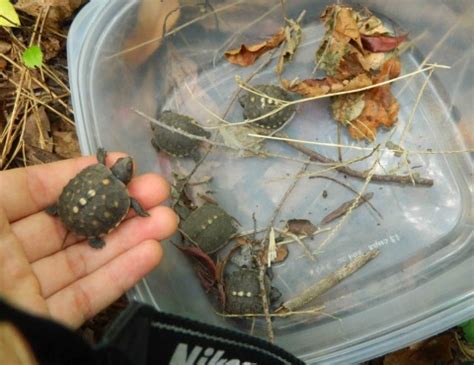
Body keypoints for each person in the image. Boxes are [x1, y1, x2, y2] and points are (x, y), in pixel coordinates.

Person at [0, 152, 178, 363]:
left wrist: (101, 156)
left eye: (124, 165)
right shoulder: (124, 197)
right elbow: (133, 205)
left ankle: (58, 209)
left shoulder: (99, 169)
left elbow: (100, 165)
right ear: (128, 178)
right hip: (87, 225)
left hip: (66, 208)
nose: (126, 163)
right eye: (126, 165)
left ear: (115, 167)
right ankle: (93, 237)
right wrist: (140, 211)